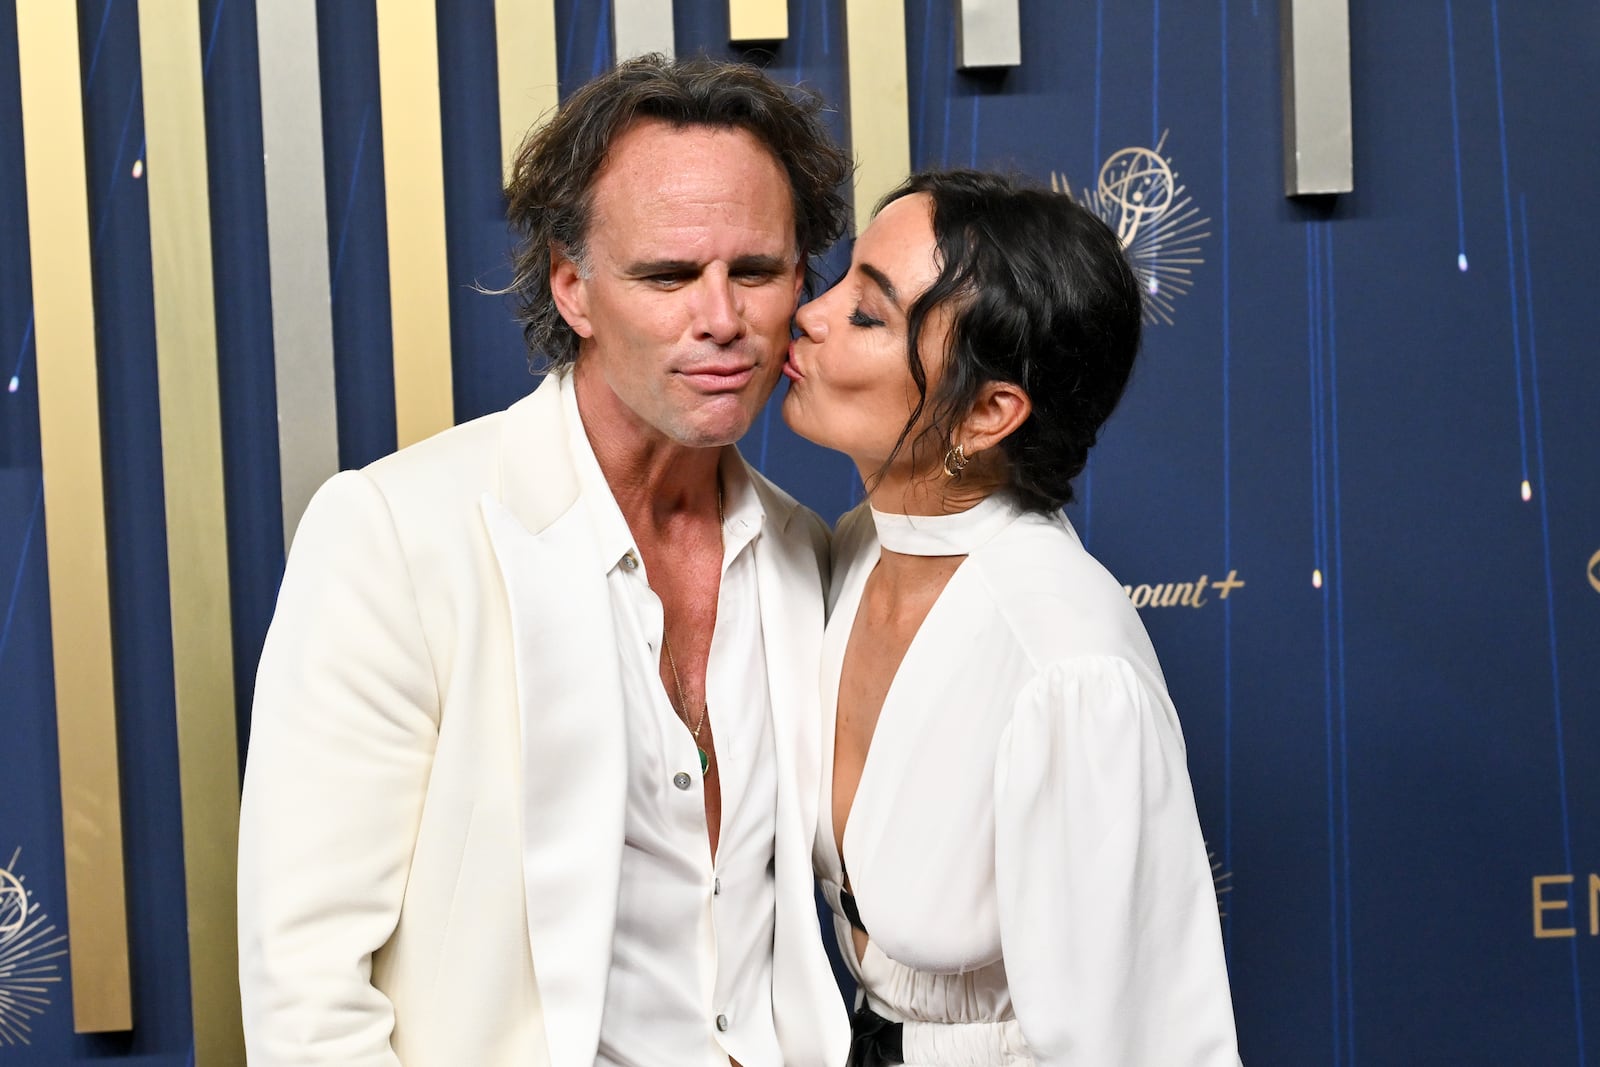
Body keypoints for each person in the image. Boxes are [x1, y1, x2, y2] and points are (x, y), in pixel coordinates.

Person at [237, 55, 854, 1066]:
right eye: (666, 274)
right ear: (572, 286)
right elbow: (306, 988)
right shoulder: (394, 534)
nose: (721, 318)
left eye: (755, 270)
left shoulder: (805, 551)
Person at [781, 170, 1242, 1066]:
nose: (810, 310)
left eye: (869, 315)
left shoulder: (1068, 665)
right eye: (841, 279)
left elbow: (1140, 1035)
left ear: (989, 412)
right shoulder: (847, 553)